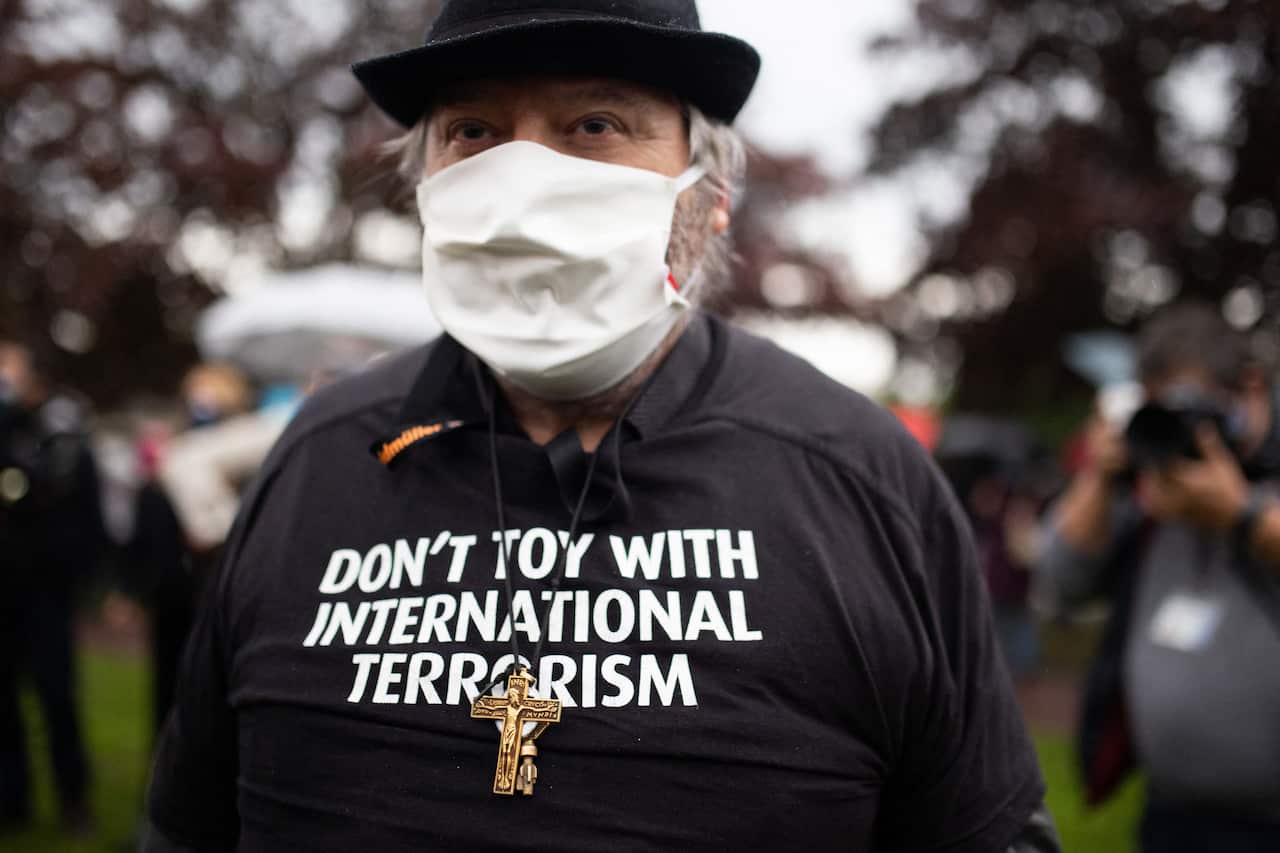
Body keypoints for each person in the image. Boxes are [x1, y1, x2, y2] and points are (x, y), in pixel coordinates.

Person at [142, 2, 1058, 850]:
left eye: (595, 125)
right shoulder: (316, 458)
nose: (525, 177)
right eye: (474, 131)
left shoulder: (858, 477)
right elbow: (186, 827)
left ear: (708, 199)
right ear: (424, 184)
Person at [1041, 303, 1280, 853]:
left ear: (1250, 390)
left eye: (1190, 407)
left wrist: (1241, 517)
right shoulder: (1152, 499)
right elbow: (1062, 579)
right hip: (1170, 818)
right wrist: (1102, 476)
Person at [0, 339, 103, 835]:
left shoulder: (60, 424)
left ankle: (73, 800)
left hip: (46, 586)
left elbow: (51, 486)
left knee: (56, 696)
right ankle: (12, 802)